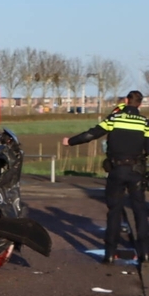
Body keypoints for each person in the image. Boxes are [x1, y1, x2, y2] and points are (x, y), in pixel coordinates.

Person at [63, 89, 149, 264]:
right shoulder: (145, 123)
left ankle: (109, 253)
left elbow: (91, 134)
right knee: (140, 211)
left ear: (126, 100)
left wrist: (70, 141)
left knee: (114, 212)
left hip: (116, 171)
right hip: (136, 171)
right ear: (140, 104)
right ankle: (145, 253)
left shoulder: (115, 119)